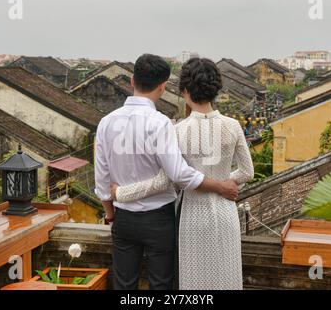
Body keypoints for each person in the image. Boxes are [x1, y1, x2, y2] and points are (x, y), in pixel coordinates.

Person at [94, 54, 239, 290]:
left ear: (132, 80)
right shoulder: (160, 123)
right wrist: (219, 185)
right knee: (161, 284)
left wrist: (110, 213)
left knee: (123, 284)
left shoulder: (106, 122)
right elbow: (178, 174)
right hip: (158, 218)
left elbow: (101, 178)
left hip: (123, 217)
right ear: (162, 87)